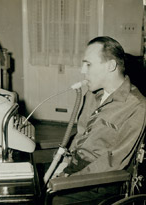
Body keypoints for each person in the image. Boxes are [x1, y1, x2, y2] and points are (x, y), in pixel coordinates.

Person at [50, 36, 146, 204]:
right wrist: (64, 162)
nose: (82, 70)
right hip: (75, 165)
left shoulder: (137, 106)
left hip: (100, 181)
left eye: (88, 64)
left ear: (110, 66)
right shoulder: (92, 94)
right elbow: (81, 135)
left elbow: (114, 161)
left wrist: (70, 178)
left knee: (53, 200)